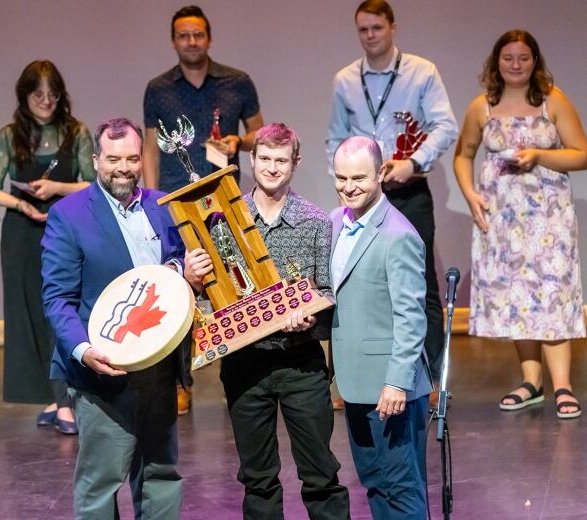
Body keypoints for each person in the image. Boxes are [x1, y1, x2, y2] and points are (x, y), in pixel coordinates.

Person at [185, 123, 350, 520]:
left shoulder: (314, 222)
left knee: (321, 475)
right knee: (257, 479)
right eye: (264, 159)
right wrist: (191, 276)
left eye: (281, 160)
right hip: (246, 364)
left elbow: (327, 291)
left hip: (300, 363)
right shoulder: (222, 220)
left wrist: (309, 315)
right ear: (251, 160)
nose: (272, 168)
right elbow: (212, 294)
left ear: (295, 162)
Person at [42, 118, 185, 519]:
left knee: (161, 472)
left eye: (132, 158)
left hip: (158, 366)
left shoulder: (161, 206)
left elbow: (175, 266)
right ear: (95, 160)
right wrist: (85, 352)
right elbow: (57, 298)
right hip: (103, 372)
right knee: (102, 482)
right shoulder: (69, 215)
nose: (123, 167)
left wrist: (181, 270)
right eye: (113, 159)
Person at [326, 0, 458, 408]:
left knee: (422, 287)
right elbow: (334, 137)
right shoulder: (346, 79)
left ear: (392, 28)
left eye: (377, 28)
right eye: (363, 29)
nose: (370, 36)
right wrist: (345, 178)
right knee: (351, 284)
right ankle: (350, 377)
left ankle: (428, 378)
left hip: (407, 188)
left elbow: (445, 125)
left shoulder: (421, 71)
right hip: (362, 194)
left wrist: (413, 163)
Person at [453, 30, 587, 419]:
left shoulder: (551, 100)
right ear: (496, 61)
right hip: (503, 218)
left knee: (552, 295)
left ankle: (562, 385)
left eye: (523, 58)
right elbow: (463, 155)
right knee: (519, 298)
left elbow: (582, 155)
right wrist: (470, 194)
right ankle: (532, 381)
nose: (516, 65)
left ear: (535, 61)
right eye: (508, 57)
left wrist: (539, 155)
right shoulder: (483, 106)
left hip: (549, 216)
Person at [144, 4, 264, 414]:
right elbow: (149, 147)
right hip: (176, 204)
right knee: (182, 287)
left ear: (208, 38)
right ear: (173, 41)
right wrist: (150, 197)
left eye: (197, 35)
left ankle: (241, 374)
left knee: (235, 281)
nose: (191, 42)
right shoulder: (157, 89)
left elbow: (259, 136)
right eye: (183, 35)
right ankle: (182, 382)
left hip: (223, 200)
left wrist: (236, 142)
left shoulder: (237, 82)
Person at [0, 60, 95, 434]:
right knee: (30, 315)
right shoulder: (9, 134)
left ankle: (66, 402)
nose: (46, 101)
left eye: (53, 94)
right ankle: (54, 397)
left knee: (61, 311)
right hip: (22, 233)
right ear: (25, 96)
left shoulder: (75, 132)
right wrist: (22, 203)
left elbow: (92, 184)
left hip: (63, 229)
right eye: (38, 94)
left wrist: (56, 189)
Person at [330, 135, 432, 518]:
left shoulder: (399, 235)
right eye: (341, 178)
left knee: (402, 488)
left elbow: (411, 317)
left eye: (359, 178)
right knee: (375, 483)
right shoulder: (335, 222)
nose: (348, 187)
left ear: (380, 175)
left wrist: (396, 381)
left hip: (391, 388)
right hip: (356, 383)